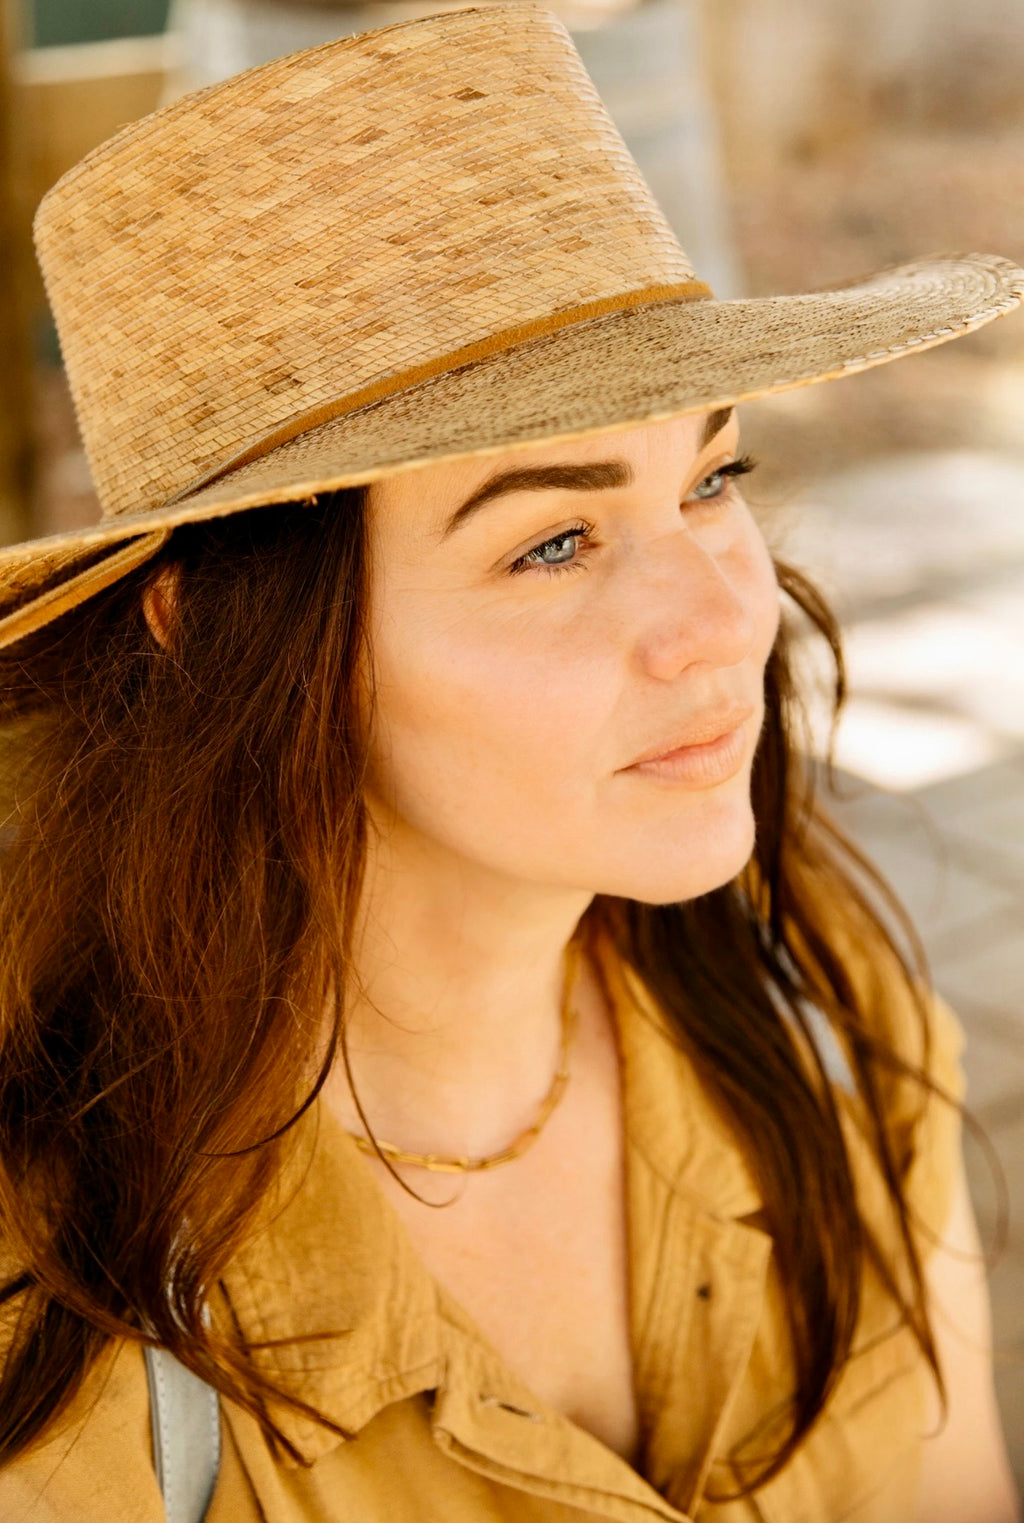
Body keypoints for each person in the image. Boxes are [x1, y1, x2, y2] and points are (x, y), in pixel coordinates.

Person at [0, 4, 1021, 1519]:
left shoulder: (829, 1017)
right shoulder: (79, 1328)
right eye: (552, 541)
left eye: (712, 478)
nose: (719, 620)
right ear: (214, 637)